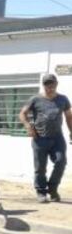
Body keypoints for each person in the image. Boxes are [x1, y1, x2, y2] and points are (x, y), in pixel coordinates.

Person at [19, 73, 72, 203]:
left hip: (57, 138)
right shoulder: (35, 99)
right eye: (47, 84)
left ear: (56, 84)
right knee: (40, 168)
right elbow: (22, 113)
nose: (50, 87)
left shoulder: (63, 99)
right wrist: (28, 126)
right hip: (39, 138)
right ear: (43, 85)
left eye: (52, 84)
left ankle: (52, 189)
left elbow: (69, 117)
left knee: (61, 161)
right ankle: (41, 192)